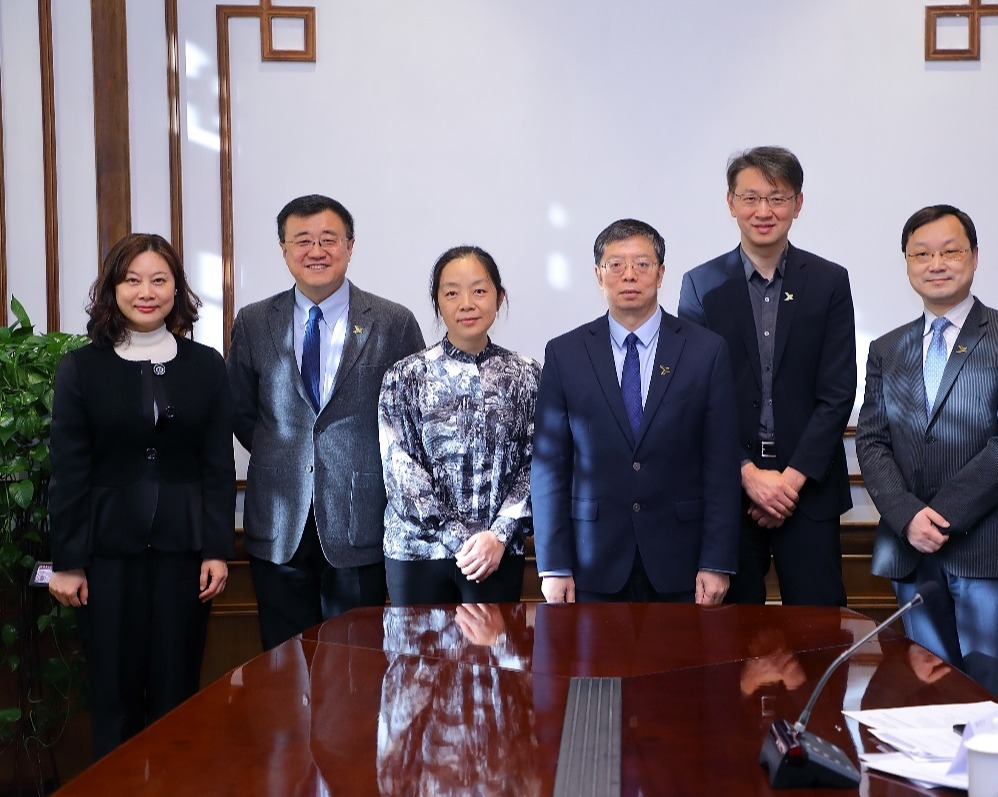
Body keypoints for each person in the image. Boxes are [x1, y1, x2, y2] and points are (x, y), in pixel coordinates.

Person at [47, 234, 235, 757]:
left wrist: (217, 549)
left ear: (177, 289)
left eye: (158, 280)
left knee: (178, 693)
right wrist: (68, 562)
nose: (146, 292)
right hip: (105, 556)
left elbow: (218, 465)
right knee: (113, 697)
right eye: (132, 280)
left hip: (184, 554)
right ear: (113, 289)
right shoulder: (81, 368)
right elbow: (68, 471)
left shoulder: (206, 365)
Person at [855, 204, 998, 701]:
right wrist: (907, 517)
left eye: (950, 251)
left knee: (991, 698)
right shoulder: (886, 348)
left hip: (989, 550)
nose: (936, 263)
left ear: (975, 257)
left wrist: (939, 515)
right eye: (921, 254)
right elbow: (872, 441)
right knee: (927, 700)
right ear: (907, 263)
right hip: (910, 551)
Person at [227, 194, 425, 650]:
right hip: (279, 521)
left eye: (328, 239)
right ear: (283, 249)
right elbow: (241, 411)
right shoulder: (254, 321)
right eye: (302, 240)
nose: (316, 251)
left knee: (355, 665)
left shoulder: (393, 322)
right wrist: (288, 454)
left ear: (350, 246)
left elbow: (411, 418)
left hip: (361, 519)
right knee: (281, 663)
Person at [679, 146, 856, 606]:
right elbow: (694, 395)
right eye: (751, 198)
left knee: (819, 631)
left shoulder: (829, 282)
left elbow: (838, 392)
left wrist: (788, 483)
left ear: (798, 204)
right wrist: (748, 475)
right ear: (731, 203)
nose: (764, 211)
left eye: (777, 198)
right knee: (729, 635)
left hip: (809, 490)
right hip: (729, 491)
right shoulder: (701, 285)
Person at [531, 218, 739, 603]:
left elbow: (721, 465)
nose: (629, 275)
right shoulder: (565, 354)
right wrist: (554, 565)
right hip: (592, 561)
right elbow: (550, 466)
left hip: (682, 561)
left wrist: (716, 561)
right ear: (598, 275)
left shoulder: (705, 351)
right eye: (616, 264)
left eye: (642, 264)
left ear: (661, 273)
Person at [378, 246, 540, 604]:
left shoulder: (526, 374)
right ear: (437, 302)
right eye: (452, 293)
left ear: (499, 298)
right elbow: (400, 467)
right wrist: (460, 539)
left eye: (479, 290)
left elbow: (537, 463)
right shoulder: (405, 376)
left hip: (495, 556)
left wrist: (499, 535)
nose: (467, 303)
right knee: (418, 644)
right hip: (417, 554)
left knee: (494, 643)